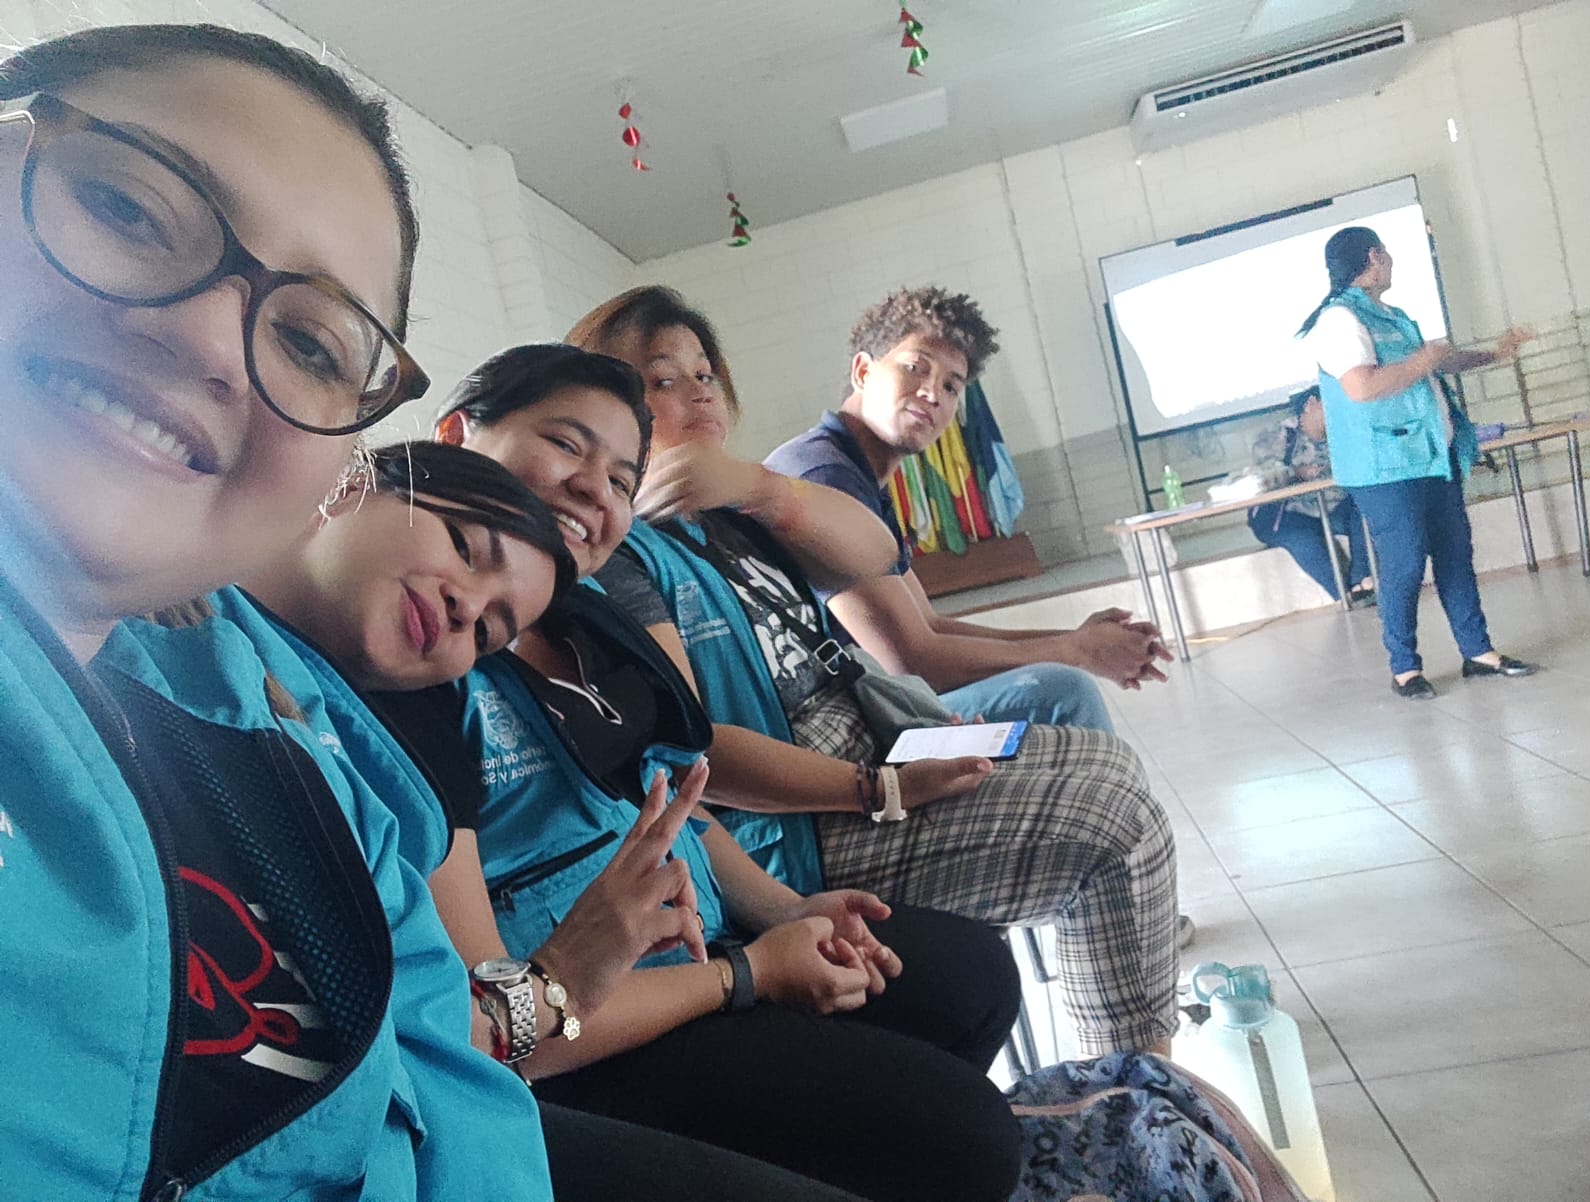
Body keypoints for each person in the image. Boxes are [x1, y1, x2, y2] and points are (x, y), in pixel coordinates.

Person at [0, 23, 556, 1199]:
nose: (209, 336)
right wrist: (607, 980)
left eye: (308, 342)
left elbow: (452, 1065)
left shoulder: (311, 751)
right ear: (374, 479)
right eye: (128, 207)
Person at [398, 345, 1022, 1202]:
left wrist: (788, 910)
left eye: (622, 478)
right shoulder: (422, 648)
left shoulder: (587, 617)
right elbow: (501, 1027)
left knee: (971, 980)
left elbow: (673, 797)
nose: (594, 491)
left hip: (689, 951)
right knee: (964, 1138)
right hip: (582, 1028)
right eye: (566, 444)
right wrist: (747, 974)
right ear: (455, 436)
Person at [242, 438, 874, 1202]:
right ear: (354, 481)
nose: (464, 608)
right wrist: (722, 975)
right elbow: (491, 1035)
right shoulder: (202, 666)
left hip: (476, 1131)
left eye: (489, 631)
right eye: (464, 545)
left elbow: (471, 1029)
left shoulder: (388, 755)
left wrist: (565, 978)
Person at [560, 290, 1182, 1060]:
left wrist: (755, 488)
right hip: (799, 821)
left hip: (869, 742)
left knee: (1110, 765)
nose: (699, 393)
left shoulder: (730, 511)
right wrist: (878, 786)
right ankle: (1134, 1085)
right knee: (1116, 825)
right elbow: (693, 751)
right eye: (663, 380)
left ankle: (1128, 1069)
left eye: (705, 374)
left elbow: (873, 554)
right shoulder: (619, 553)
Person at [763, 285, 1174, 731]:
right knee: (1060, 692)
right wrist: (1077, 652)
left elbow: (931, 627)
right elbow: (910, 661)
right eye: (916, 368)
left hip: (861, 700)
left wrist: (1077, 639)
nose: (932, 394)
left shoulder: (854, 472)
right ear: (863, 371)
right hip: (823, 725)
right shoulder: (822, 475)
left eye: (950, 385)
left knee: (1056, 680)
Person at [1298, 226, 1539, 699]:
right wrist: (1425, 359)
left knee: (1455, 554)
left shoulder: (1390, 315)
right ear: (1374, 256)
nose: (1391, 261)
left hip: (1429, 456)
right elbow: (1363, 387)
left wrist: (1495, 354)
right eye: (1386, 253)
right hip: (1385, 468)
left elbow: (1438, 363)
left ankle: (1478, 651)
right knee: (1405, 564)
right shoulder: (1340, 320)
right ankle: (1405, 668)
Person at [1246, 385, 1375, 605]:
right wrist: (1296, 473)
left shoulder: (1345, 430)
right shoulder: (1280, 436)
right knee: (1301, 539)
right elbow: (1262, 477)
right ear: (1311, 404)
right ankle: (1343, 595)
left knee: (1367, 507)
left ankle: (1361, 579)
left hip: (1333, 506)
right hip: (1287, 513)